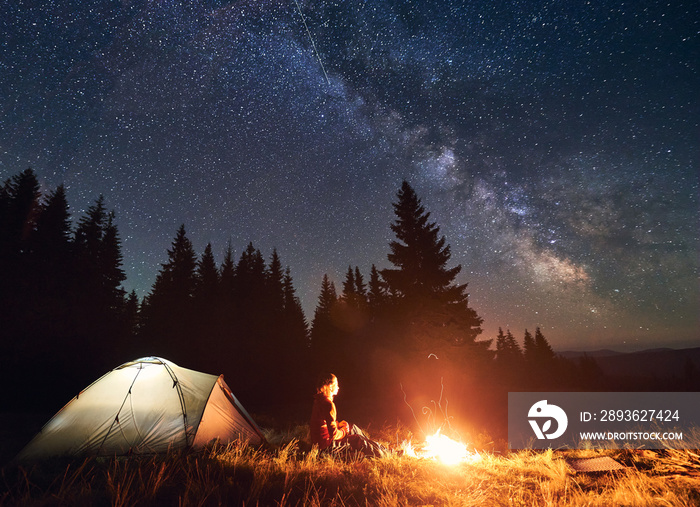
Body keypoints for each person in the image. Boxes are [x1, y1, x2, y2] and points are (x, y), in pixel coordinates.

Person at [309, 373, 387, 458]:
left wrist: (338, 425)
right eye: (337, 385)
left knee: (352, 427)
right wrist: (344, 431)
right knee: (358, 439)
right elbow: (334, 434)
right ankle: (384, 454)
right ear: (330, 387)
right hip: (327, 446)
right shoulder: (328, 404)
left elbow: (323, 424)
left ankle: (383, 449)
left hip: (322, 443)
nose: (338, 387)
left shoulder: (319, 400)